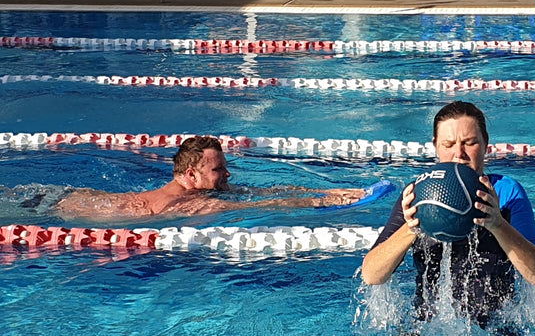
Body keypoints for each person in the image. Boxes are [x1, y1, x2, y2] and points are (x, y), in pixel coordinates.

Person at [361, 101, 535, 336]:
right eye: (448, 145)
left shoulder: (507, 194)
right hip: (425, 332)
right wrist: (411, 227)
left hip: (496, 335)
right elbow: (371, 275)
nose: (458, 154)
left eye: (469, 143)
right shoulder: (417, 196)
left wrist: (497, 224)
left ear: (485, 144)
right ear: (436, 147)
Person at [53, 135, 365, 220]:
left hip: (69, 196)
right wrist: (316, 202)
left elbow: (261, 191)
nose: (227, 173)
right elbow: (259, 207)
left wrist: (329, 189)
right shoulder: (190, 205)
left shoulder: (200, 191)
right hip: (56, 207)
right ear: (191, 175)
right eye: (218, 170)